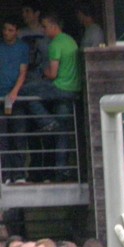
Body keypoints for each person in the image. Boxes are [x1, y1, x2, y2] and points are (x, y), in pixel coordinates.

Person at [19, 12, 81, 183]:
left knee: (25, 91)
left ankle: (46, 121)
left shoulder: (55, 44)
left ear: (54, 26)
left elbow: (53, 74)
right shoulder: (70, 40)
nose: (44, 30)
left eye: (45, 27)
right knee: (62, 133)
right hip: (72, 91)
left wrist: (43, 73)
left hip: (60, 88)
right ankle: (61, 172)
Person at [0, 16, 29, 184]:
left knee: (18, 136)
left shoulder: (22, 48)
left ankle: (19, 175)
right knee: (2, 138)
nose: (6, 33)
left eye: (10, 30)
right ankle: (5, 175)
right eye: (4, 29)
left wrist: (14, 92)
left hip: (16, 98)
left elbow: (23, 72)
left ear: (16, 31)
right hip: (0, 97)